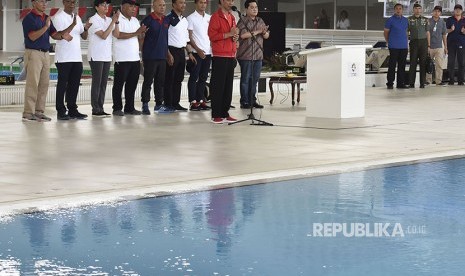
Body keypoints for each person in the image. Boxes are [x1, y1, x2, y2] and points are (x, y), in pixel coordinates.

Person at [21, 0, 64, 122]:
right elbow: (32, 36)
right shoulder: (29, 18)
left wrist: (64, 34)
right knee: (32, 83)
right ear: (34, 3)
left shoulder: (46, 17)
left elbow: (54, 34)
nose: (45, 4)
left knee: (44, 84)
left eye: (46, 1)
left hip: (45, 53)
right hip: (33, 53)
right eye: (41, 1)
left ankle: (39, 111)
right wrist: (46, 26)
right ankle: (28, 113)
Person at [52, 0, 91, 120]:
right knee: (62, 85)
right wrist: (72, 25)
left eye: (74, 2)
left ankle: (72, 109)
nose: (72, 4)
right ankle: (60, 110)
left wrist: (85, 28)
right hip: (63, 57)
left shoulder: (77, 17)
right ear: (64, 2)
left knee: (74, 85)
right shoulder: (58, 17)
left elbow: (83, 36)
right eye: (69, 2)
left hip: (76, 57)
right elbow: (61, 35)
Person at [111, 0, 147, 116]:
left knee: (132, 85)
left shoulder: (135, 20)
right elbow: (119, 35)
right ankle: (117, 108)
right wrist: (137, 33)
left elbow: (138, 37)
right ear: (122, 6)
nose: (133, 9)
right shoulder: (117, 19)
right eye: (130, 6)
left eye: (134, 7)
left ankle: (129, 107)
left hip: (134, 58)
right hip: (122, 58)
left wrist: (142, 35)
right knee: (118, 85)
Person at [208, 0, 239, 124]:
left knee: (228, 86)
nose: (231, 2)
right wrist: (228, 34)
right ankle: (216, 114)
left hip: (231, 54)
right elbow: (212, 36)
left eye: (232, 0)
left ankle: (225, 112)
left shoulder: (232, 17)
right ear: (221, 2)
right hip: (219, 55)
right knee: (218, 86)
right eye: (228, 0)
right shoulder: (215, 17)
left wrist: (235, 37)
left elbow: (233, 34)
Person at [88, 0, 119, 117]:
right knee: (97, 82)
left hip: (106, 55)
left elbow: (116, 34)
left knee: (104, 83)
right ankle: (95, 108)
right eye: (103, 5)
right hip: (96, 55)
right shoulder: (93, 20)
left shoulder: (109, 20)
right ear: (96, 7)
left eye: (107, 5)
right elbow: (104, 36)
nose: (106, 7)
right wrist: (113, 22)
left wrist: (116, 22)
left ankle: (100, 107)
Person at [236, 0, 269, 109]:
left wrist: (264, 32)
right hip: (245, 55)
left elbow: (266, 36)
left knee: (254, 79)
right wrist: (259, 31)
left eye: (256, 7)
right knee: (246, 79)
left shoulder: (260, 20)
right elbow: (243, 35)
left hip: (258, 55)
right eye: (252, 7)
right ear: (246, 9)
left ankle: (252, 100)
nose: (255, 9)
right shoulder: (242, 21)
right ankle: (244, 101)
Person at [164, 0, 196, 112]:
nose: (183, 5)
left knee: (178, 78)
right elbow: (164, 37)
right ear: (173, 5)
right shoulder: (168, 18)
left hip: (181, 52)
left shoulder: (184, 20)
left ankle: (176, 103)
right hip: (171, 50)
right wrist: (168, 54)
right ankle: (168, 104)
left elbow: (186, 39)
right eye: (180, 3)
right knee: (169, 78)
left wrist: (190, 53)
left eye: (184, 3)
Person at [140, 0, 170, 115]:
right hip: (150, 56)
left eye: (164, 5)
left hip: (162, 56)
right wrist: (141, 54)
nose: (162, 8)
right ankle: (145, 104)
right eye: (160, 5)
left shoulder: (166, 20)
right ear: (154, 6)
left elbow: (165, 38)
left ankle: (158, 105)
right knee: (148, 81)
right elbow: (141, 36)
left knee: (160, 82)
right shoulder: (148, 20)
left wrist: (168, 54)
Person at [186, 0, 212, 111]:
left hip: (208, 52)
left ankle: (201, 100)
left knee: (203, 78)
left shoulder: (209, 17)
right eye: (200, 2)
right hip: (197, 53)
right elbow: (189, 37)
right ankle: (193, 102)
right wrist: (197, 50)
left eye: (205, 3)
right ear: (196, 3)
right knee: (194, 77)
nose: (203, 5)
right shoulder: (190, 18)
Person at [384, 3, 409, 89]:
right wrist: (388, 41)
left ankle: (400, 83)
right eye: (397, 9)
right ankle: (390, 83)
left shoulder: (406, 20)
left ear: (402, 10)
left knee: (402, 66)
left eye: (400, 9)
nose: (398, 10)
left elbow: (406, 33)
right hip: (393, 46)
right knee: (392, 65)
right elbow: (386, 32)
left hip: (403, 47)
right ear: (394, 10)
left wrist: (406, 45)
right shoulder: (390, 20)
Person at [407, 3, 429, 89]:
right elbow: (406, 32)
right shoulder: (409, 19)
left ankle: (422, 83)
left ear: (421, 10)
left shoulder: (425, 19)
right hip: (413, 42)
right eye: (416, 8)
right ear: (413, 10)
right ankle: (411, 82)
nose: (418, 10)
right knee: (413, 63)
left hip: (423, 43)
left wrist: (429, 45)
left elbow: (427, 32)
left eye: (419, 8)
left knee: (423, 63)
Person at [426, 5, 447, 86]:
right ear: (433, 12)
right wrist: (427, 46)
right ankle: (428, 81)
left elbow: (444, 35)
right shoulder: (428, 21)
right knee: (428, 64)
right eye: (435, 11)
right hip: (429, 46)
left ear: (440, 13)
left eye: (438, 11)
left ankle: (438, 81)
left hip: (439, 46)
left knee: (439, 65)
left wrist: (445, 47)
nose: (436, 13)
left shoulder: (443, 22)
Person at [446, 4, 465, 85]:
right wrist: (451, 29)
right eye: (456, 9)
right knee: (451, 63)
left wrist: (464, 31)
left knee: (461, 63)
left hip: (461, 43)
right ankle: (451, 80)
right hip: (451, 44)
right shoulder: (449, 19)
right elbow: (445, 31)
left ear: (462, 11)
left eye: (459, 9)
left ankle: (461, 81)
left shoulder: (464, 20)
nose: (458, 11)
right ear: (454, 10)